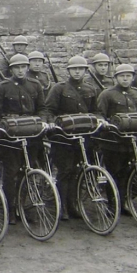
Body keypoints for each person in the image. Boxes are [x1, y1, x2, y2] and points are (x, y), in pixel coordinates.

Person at [0, 54, 46, 224]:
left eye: (23, 67)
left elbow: (42, 108)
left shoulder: (35, 85)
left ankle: (22, 206)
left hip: (31, 134)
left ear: (27, 68)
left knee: (28, 170)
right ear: (11, 69)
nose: (20, 70)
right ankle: (10, 209)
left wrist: (42, 122)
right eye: (17, 67)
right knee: (11, 172)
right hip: (10, 136)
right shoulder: (2, 87)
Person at [42, 56, 98, 220]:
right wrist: (52, 124)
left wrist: (98, 120)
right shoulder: (59, 89)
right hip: (63, 137)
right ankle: (62, 206)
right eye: (74, 69)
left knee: (78, 170)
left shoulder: (90, 89)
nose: (77, 71)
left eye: (81, 69)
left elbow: (96, 111)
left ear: (86, 71)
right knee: (65, 171)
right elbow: (48, 110)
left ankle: (74, 204)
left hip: (83, 136)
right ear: (68, 71)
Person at [93, 64, 137, 208]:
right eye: (122, 76)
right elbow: (99, 113)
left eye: (128, 76)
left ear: (133, 78)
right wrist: (104, 123)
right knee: (113, 173)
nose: (125, 79)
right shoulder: (107, 94)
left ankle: (126, 202)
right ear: (115, 78)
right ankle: (113, 205)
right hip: (113, 142)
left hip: (131, 141)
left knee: (128, 173)